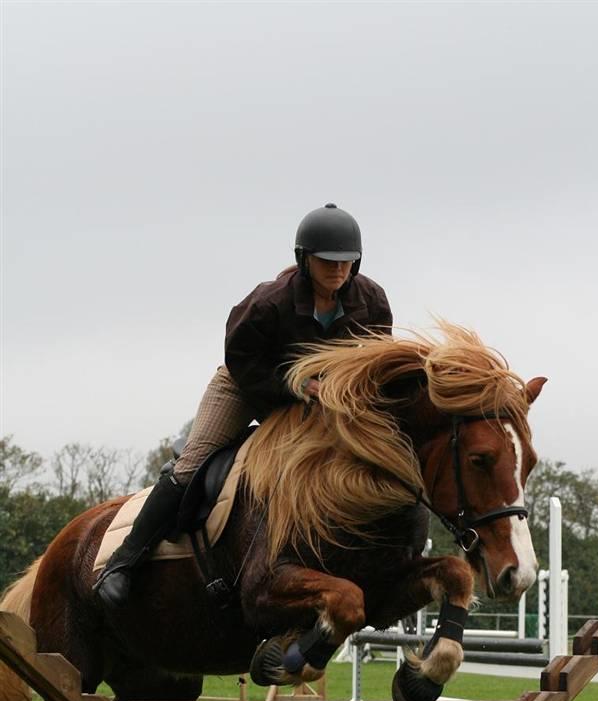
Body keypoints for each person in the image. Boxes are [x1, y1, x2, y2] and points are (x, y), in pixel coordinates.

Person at [93, 203, 393, 608]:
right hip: (245, 385)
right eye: (327, 262)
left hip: (316, 397)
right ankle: (124, 562)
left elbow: (375, 357)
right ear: (304, 260)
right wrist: (295, 384)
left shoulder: (371, 300)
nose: (337, 271)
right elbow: (242, 361)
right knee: (191, 464)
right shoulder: (269, 301)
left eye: (346, 263)